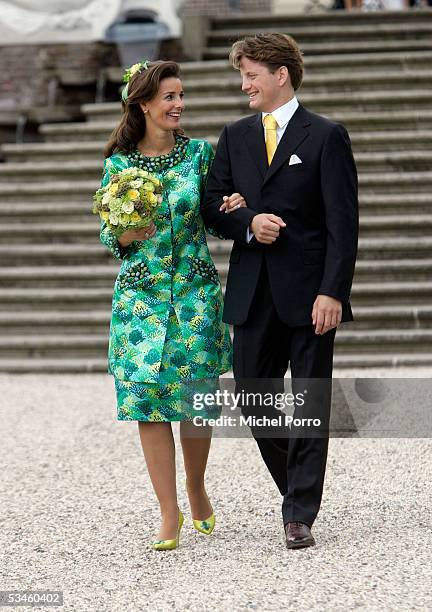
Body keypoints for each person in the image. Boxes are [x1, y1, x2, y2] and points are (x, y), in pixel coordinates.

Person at [201, 33, 358, 549]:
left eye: (250, 74)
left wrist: (333, 291)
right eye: (242, 75)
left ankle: (298, 513)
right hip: (251, 292)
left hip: (311, 292)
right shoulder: (235, 134)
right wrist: (247, 220)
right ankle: (298, 485)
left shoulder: (326, 135)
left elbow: (343, 222)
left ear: (280, 73)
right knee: (252, 395)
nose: (244, 84)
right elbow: (211, 206)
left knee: (310, 400)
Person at [99, 60, 232, 550]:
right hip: (140, 304)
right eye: (169, 96)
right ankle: (167, 511)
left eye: (181, 95)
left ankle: (197, 487)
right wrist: (125, 233)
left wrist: (232, 209)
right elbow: (111, 235)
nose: (178, 104)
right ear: (143, 104)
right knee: (148, 407)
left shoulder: (199, 155)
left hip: (195, 298)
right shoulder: (118, 164)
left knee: (198, 402)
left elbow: (215, 219)